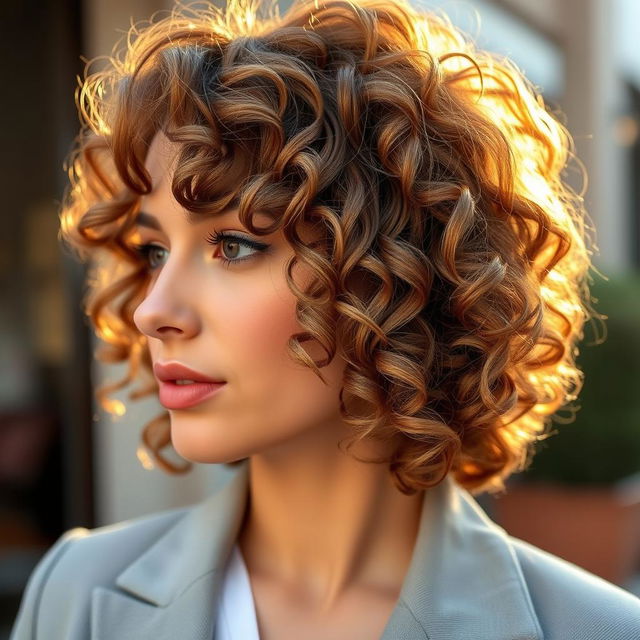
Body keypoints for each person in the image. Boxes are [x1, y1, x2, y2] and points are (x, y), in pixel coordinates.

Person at [10, 0, 640, 638]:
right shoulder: (77, 596)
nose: (152, 311)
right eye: (153, 251)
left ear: (397, 271)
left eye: (233, 245)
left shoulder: (595, 629)